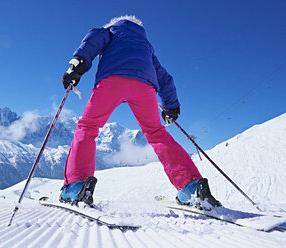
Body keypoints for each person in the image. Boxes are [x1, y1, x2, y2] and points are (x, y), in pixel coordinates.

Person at [59, 15, 221, 209]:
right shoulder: (146, 46)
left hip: (111, 81)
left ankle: (76, 186)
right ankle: (191, 187)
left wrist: (78, 65)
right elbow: (163, 76)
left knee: (88, 126)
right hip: (145, 88)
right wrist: (171, 106)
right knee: (157, 134)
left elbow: (93, 38)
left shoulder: (110, 31)